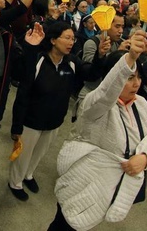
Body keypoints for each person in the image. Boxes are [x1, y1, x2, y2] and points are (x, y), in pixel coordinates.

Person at [49, 31, 147, 230]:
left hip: (108, 189)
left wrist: (145, 158)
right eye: (129, 77)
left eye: (137, 77)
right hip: (83, 183)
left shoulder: (142, 104)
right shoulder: (95, 105)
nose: (136, 83)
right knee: (65, 225)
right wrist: (129, 59)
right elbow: (106, 92)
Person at [9, 21, 100, 201]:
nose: (71, 42)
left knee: (40, 152)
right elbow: (23, 92)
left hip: (54, 120)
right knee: (24, 153)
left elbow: (91, 75)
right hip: (32, 120)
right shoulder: (39, 60)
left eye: (73, 39)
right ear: (53, 40)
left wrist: (100, 56)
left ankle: (28, 175)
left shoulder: (71, 62)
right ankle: (15, 182)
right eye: (67, 38)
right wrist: (16, 125)